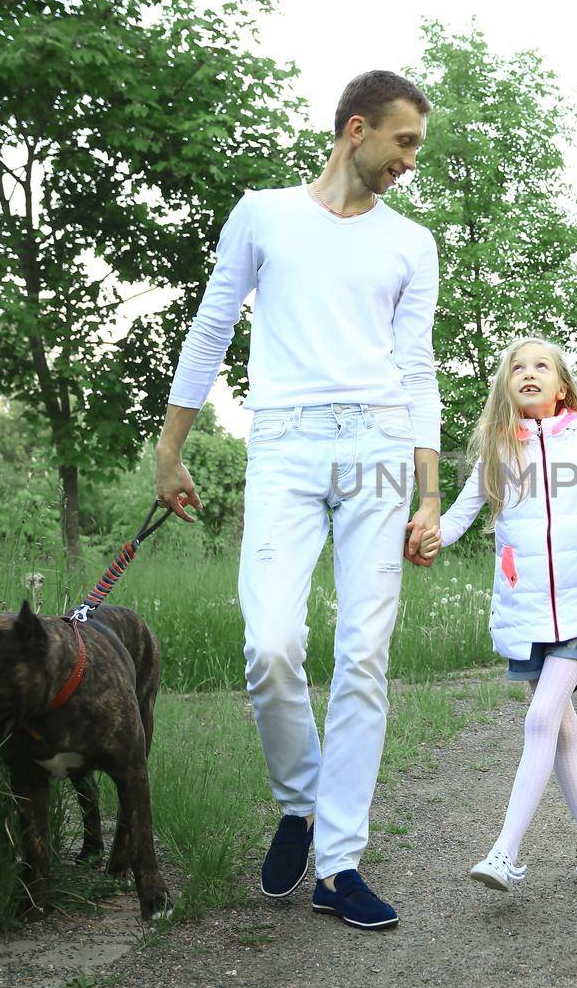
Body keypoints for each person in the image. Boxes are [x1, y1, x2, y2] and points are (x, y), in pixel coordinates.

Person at [154, 70, 443, 931]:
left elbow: (418, 364)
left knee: (363, 652)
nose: (410, 162)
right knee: (271, 641)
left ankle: (341, 861)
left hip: (379, 444)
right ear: (357, 129)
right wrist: (169, 448)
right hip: (283, 440)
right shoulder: (264, 213)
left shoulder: (411, 242)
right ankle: (300, 800)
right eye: (404, 142)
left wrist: (429, 493)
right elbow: (210, 325)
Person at [427, 337, 577, 893]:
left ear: (562, 386)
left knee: (538, 720)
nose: (528, 374)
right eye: (517, 368)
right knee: (562, 734)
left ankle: (504, 852)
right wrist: (422, 536)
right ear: (506, 386)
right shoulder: (496, 455)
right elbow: (457, 518)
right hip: (527, 608)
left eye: (541, 367)